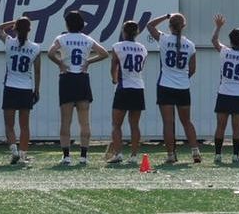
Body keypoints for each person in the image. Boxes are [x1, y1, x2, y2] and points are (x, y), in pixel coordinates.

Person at [48, 9, 109, 165]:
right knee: (84, 121)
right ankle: (83, 156)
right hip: (82, 78)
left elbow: (50, 53)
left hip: (67, 78)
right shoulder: (87, 39)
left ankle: (66, 156)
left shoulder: (62, 38)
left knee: (65, 121)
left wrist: (61, 63)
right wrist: (88, 61)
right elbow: (104, 53)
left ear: (67, 24)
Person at [147, 12, 200, 164]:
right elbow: (192, 69)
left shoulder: (164, 39)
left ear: (170, 26)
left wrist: (165, 16)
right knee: (187, 121)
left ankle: (171, 154)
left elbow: (149, 25)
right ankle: (195, 151)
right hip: (183, 87)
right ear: (183, 26)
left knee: (168, 123)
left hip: (165, 86)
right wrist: (181, 78)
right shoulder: (190, 45)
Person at [0, 17, 42, 165]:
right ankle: (23, 156)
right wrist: (37, 89)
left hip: (10, 87)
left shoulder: (9, 42)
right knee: (24, 126)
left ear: (15, 29)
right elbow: (37, 72)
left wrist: (14, 22)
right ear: (29, 30)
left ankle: (14, 151)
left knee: (9, 125)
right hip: (26, 88)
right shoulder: (35, 47)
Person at [210, 14, 239, 165]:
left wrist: (218, 26)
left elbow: (214, 41)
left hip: (224, 92)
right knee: (237, 128)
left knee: (220, 126)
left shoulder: (224, 51)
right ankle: (235, 155)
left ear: (230, 39)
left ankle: (218, 154)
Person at [107, 20, 147, 165]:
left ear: (123, 32)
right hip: (138, 87)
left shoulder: (117, 46)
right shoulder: (143, 48)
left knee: (116, 124)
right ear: (137, 33)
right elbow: (141, 67)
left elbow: (114, 67)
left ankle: (118, 154)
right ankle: (134, 155)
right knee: (134, 124)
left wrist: (114, 79)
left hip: (124, 87)